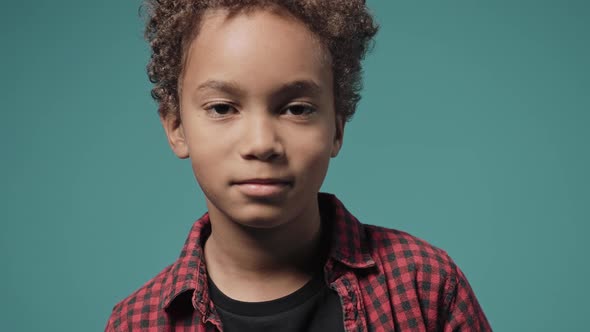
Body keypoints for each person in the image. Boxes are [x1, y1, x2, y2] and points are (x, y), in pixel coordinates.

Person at [105, 1, 491, 331]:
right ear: (176, 126)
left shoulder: (425, 286)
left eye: (296, 109)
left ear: (337, 127)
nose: (261, 144)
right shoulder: (137, 322)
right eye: (222, 108)